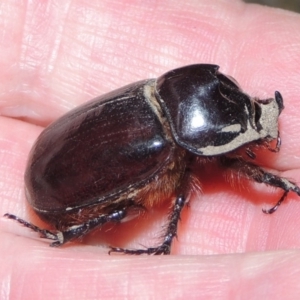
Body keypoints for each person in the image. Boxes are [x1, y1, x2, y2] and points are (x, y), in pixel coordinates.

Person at [1, 0, 300, 298]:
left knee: (128, 210)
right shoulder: (166, 148)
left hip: (50, 149)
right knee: (122, 211)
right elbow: (207, 182)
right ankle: (64, 236)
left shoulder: (155, 91)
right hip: (55, 189)